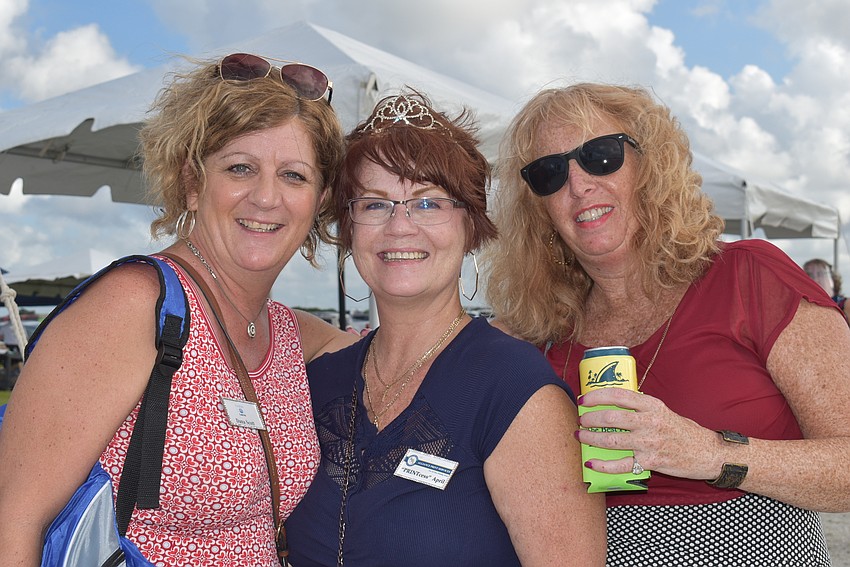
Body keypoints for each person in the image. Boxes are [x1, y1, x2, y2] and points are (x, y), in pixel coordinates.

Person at [0, 53, 356, 565]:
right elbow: (15, 515)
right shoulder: (135, 304)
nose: (266, 197)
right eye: (240, 168)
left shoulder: (286, 332)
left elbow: (405, 358)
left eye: (295, 176)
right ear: (192, 183)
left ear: (320, 199)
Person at [482, 82, 850, 565]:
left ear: (650, 165)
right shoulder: (540, 333)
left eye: (601, 155)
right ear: (540, 209)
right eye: (549, 172)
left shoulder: (749, 277)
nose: (577, 184)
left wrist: (709, 454)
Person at [284, 91, 606, 566]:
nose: (400, 226)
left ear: (471, 225)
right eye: (375, 205)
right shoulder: (317, 383)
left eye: (428, 203)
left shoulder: (515, 389)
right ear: (349, 228)